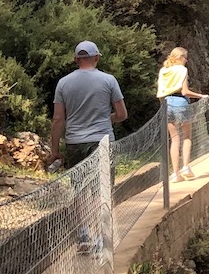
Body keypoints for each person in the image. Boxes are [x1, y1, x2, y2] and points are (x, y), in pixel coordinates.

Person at [48, 40, 126, 257]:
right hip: (102, 141)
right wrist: (106, 119)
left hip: (74, 143)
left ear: (76, 60)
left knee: (80, 190)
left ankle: (84, 235)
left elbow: (58, 119)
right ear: (97, 57)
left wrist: (55, 150)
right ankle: (103, 237)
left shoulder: (63, 83)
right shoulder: (108, 80)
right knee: (103, 188)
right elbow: (122, 114)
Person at [157, 47, 207, 182]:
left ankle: (175, 173)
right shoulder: (182, 70)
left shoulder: (163, 71)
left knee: (174, 138)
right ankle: (185, 166)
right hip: (181, 103)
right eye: (185, 58)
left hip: (166, 103)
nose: (186, 60)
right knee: (187, 136)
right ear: (180, 58)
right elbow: (184, 91)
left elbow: (161, 92)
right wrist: (201, 95)